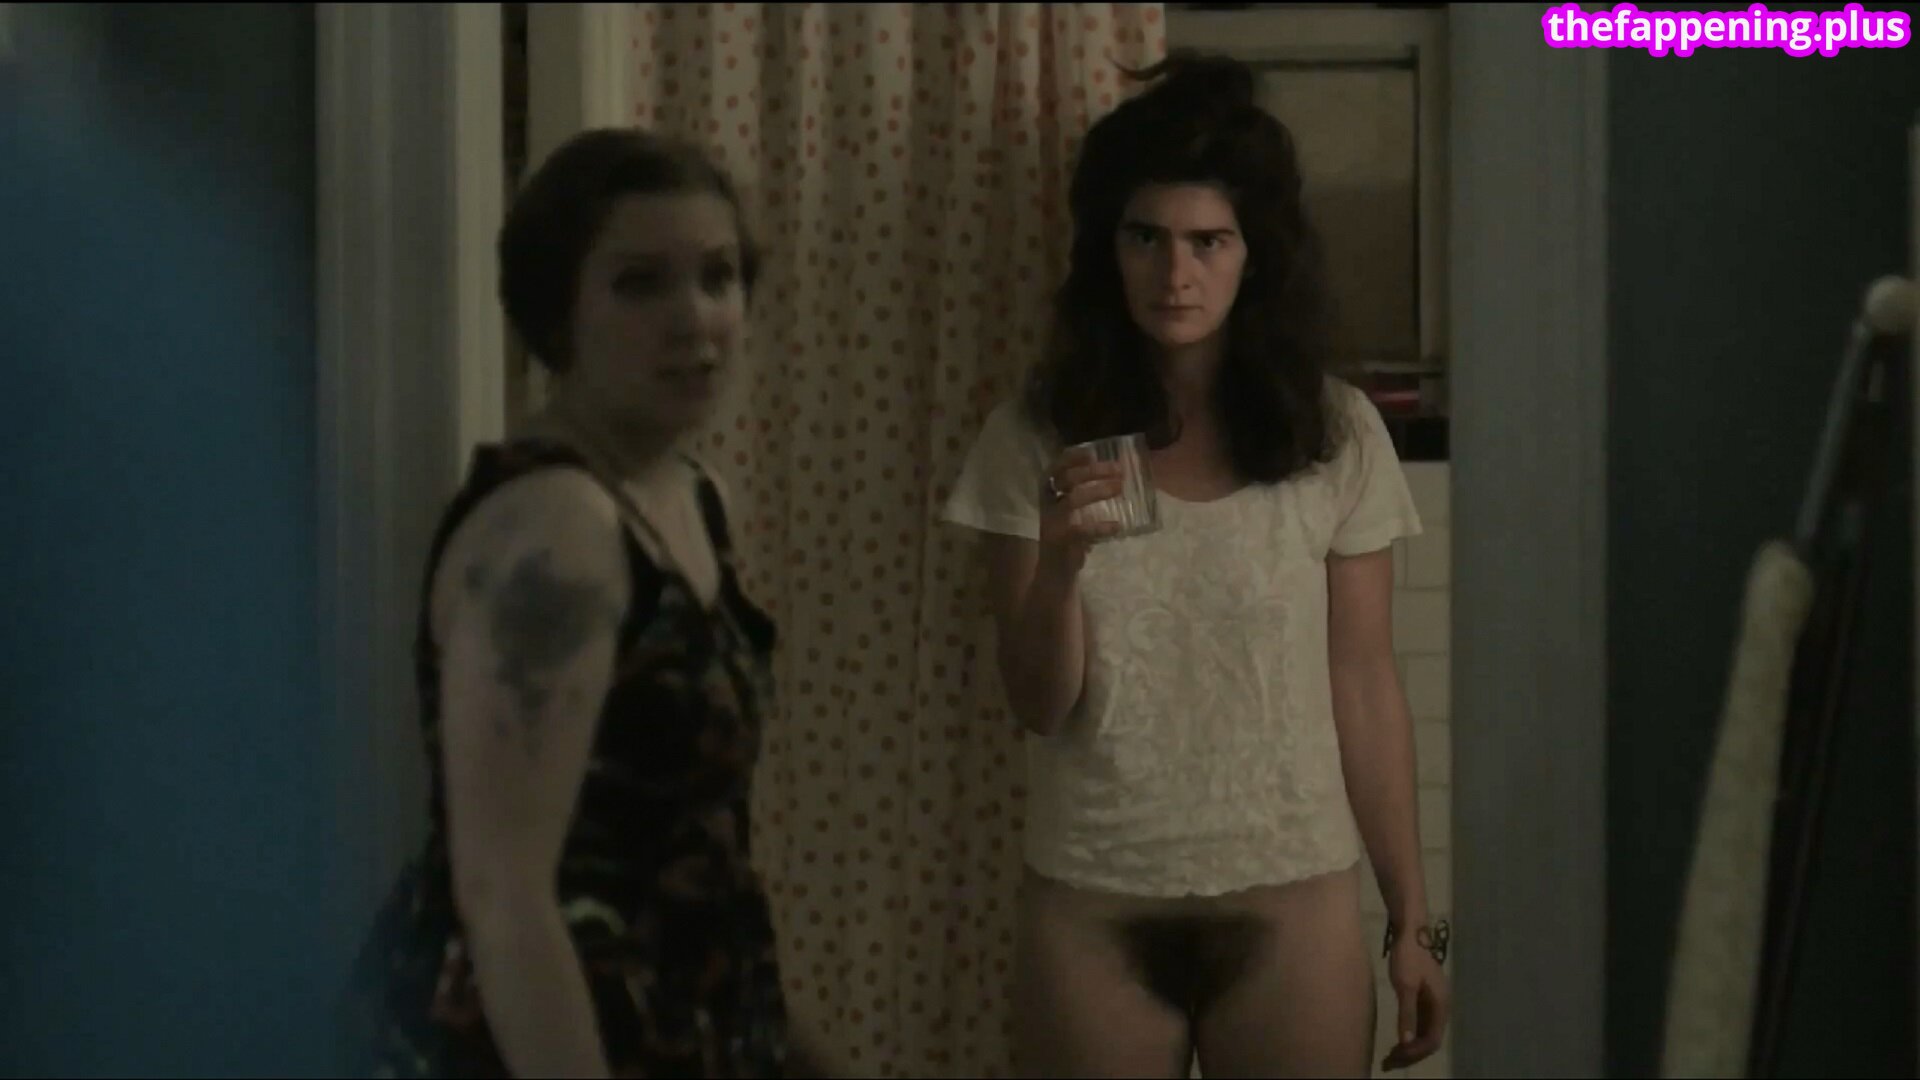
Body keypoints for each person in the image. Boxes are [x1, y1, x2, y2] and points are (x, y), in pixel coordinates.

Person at [940, 53, 1452, 1078]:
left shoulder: (1336, 432)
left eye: (1208, 241)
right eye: (1147, 238)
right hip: (1093, 903)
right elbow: (1036, 704)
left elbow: (1364, 683)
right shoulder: (1033, 437)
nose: (1176, 274)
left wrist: (1416, 927)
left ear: (1254, 255)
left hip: (1292, 901)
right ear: (1109, 250)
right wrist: (1060, 567)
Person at [343, 127, 808, 1078]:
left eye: (718, 277)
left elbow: (701, 857)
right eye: (640, 283)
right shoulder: (554, 527)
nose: (695, 318)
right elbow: (503, 895)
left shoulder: (693, 497)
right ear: (558, 314)